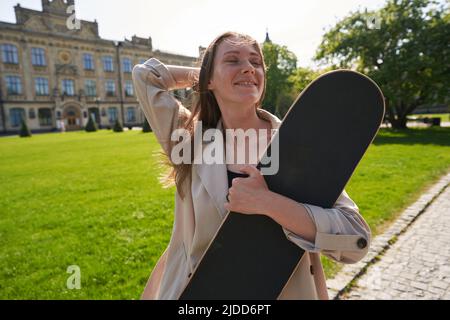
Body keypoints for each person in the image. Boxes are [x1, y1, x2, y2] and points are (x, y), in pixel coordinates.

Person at [132, 31, 371, 300]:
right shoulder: (190, 141)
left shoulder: (298, 146)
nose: (248, 67)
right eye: (233, 60)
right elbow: (146, 76)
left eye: (256, 63)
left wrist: (267, 203)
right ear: (207, 78)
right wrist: (205, 75)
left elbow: (355, 240)